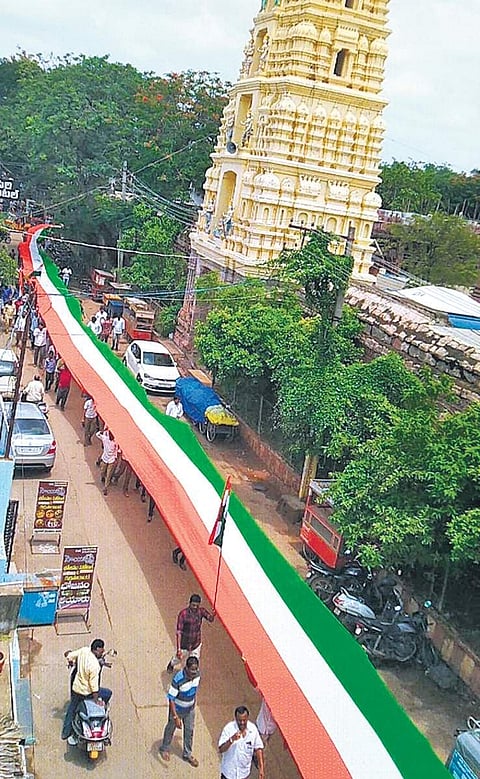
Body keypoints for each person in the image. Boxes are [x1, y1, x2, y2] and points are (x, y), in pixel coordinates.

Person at [61, 638, 112, 743]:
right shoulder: (94, 665)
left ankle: (65, 733)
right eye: (101, 650)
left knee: (71, 709)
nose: (102, 651)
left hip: (76, 688)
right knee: (107, 693)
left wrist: (70, 659)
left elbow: (69, 655)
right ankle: (102, 716)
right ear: (97, 649)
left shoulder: (84, 651)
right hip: (87, 693)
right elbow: (94, 686)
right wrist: (97, 700)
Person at [159, 655, 200, 767]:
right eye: (191, 670)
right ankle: (164, 748)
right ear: (186, 668)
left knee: (189, 731)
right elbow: (171, 699)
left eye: (195, 670)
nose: (194, 672)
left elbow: (195, 689)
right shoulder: (178, 679)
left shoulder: (197, 675)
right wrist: (176, 717)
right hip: (177, 710)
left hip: (190, 709)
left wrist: (194, 702)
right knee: (171, 728)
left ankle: (187, 754)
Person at [167, 594, 214, 673]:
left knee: (194, 661)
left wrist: (212, 616)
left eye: (197, 605)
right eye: (193, 605)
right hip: (185, 644)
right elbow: (179, 632)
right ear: (189, 603)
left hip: (196, 643)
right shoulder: (183, 614)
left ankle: (189, 674)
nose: (195, 607)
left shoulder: (201, 611)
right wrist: (179, 649)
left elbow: (209, 618)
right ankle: (171, 664)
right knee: (178, 659)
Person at [219, 706, 265, 779]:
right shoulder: (228, 729)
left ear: (247, 718)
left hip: (243, 774)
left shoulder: (253, 730)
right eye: (239, 720)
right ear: (236, 719)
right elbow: (221, 749)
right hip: (228, 774)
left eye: (244, 720)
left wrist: (261, 768)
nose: (242, 723)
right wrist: (231, 740)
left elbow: (258, 748)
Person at [96, 428, 119, 496]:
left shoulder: (115, 442)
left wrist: (115, 457)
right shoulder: (105, 439)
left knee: (109, 475)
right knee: (102, 471)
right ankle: (103, 477)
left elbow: (116, 450)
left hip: (111, 460)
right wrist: (103, 431)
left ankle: (106, 487)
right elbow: (97, 434)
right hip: (105, 458)